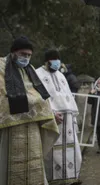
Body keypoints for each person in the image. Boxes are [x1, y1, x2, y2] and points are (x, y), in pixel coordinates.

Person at [0, 36, 59, 185]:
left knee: (34, 163)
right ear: (13, 52)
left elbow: (41, 96)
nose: (26, 58)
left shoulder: (30, 69)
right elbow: (3, 97)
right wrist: (33, 103)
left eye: (29, 55)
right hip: (11, 128)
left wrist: (50, 113)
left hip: (33, 127)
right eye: (22, 54)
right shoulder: (1, 66)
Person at [36, 49, 82, 185]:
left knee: (71, 151)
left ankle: (71, 178)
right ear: (47, 61)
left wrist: (73, 118)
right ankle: (54, 180)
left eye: (58, 59)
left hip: (67, 121)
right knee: (52, 152)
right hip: (52, 119)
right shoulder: (38, 74)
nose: (57, 62)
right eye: (53, 59)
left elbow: (68, 97)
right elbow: (39, 99)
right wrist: (50, 113)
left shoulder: (61, 76)